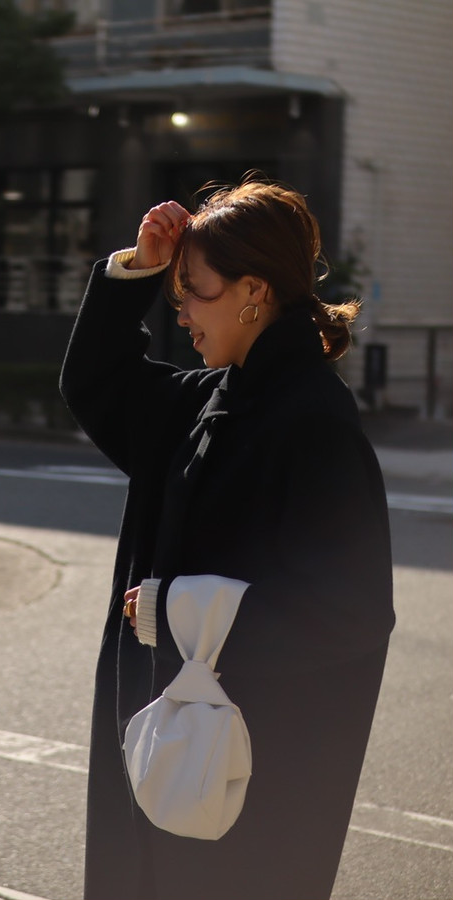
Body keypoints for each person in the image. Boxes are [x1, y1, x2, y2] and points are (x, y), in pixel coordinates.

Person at [60, 176, 395, 900]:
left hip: (252, 776)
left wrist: (176, 612)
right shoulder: (211, 397)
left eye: (194, 292)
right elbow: (96, 383)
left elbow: (351, 610)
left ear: (255, 290)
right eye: (176, 293)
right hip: (176, 753)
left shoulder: (314, 424)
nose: (180, 313)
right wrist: (139, 269)